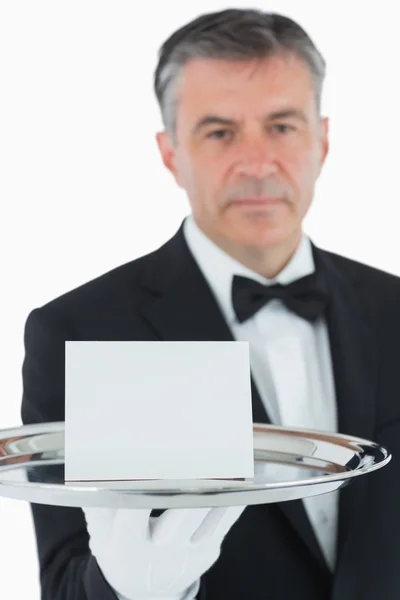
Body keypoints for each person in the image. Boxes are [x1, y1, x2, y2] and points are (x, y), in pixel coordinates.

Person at [20, 8, 400, 600]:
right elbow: (67, 584)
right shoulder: (80, 330)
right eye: (219, 132)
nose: (255, 164)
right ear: (170, 152)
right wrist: (131, 588)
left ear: (322, 139)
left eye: (281, 126)